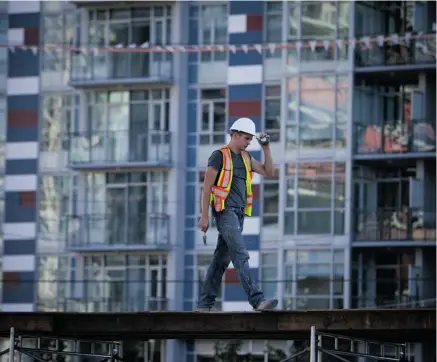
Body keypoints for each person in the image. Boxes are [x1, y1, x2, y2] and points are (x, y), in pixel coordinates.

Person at [196, 117, 278, 312]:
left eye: (251, 139)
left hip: (238, 214)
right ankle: (257, 300)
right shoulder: (218, 156)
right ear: (235, 135)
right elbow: (206, 188)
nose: (249, 142)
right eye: (247, 138)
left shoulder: (246, 157)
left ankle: (204, 304)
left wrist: (266, 148)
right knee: (240, 254)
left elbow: (269, 172)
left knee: (220, 260)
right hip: (224, 213)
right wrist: (205, 216)